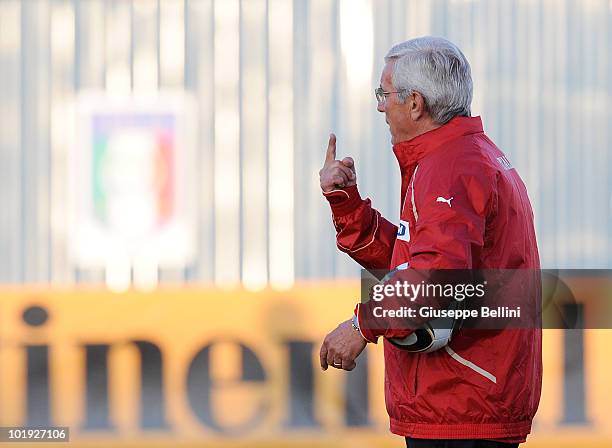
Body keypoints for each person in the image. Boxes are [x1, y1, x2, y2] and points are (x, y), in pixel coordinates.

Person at [318, 36, 542, 448]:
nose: (380, 106)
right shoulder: (464, 156)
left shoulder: (450, 166)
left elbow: (434, 280)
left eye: (384, 94)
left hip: (460, 400)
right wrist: (347, 205)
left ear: (416, 104)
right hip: (463, 399)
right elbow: (411, 262)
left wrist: (360, 326)